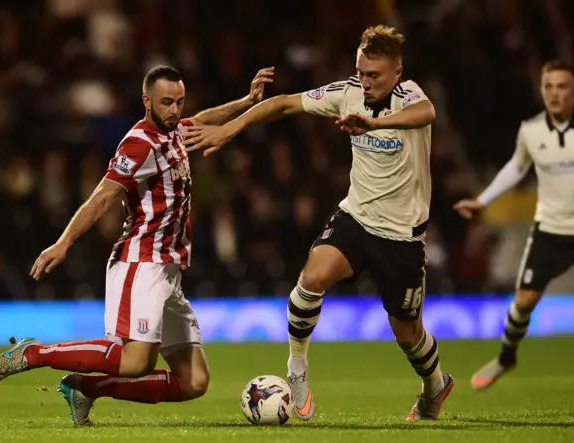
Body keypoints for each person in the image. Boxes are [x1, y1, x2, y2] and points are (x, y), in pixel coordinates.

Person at [185, 25, 453, 421]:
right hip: (357, 217)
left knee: (407, 333)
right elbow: (283, 104)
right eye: (361, 72)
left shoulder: (410, 96)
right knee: (312, 277)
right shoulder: (346, 92)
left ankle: (435, 386)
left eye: (374, 75)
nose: (365, 82)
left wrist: (374, 125)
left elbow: (427, 113)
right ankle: (296, 368)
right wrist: (229, 129)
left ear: (397, 72)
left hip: (402, 236)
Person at [0, 64, 275, 426]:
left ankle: (86, 388)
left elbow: (202, 119)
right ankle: (34, 352)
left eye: (179, 102)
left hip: (168, 269)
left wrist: (246, 101)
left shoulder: (174, 131)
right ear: (146, 101)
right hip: (140, 261)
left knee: (194, 382)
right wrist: (63, 243)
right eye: (166, 102)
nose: (174, 110)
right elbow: (103, 196)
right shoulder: (138, 144)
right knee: (136, 360)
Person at [454, 60, 574, 390]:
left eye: (562, 86)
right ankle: (506, 357)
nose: (554, 93)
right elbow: (515, 169)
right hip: (550, 232)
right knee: (522, 303)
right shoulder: (531, 131)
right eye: (548, 86)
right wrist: (483, 200)